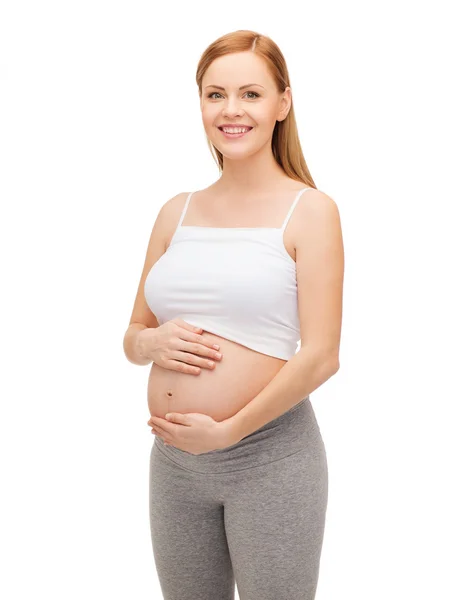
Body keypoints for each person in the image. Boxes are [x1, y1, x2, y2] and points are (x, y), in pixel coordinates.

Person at [123, 29, 344, 600]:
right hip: (173, 465)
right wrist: (148, 346)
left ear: (282, 104)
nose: (231, 110)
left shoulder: (310, 211)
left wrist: (227, 432)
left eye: (250, 93)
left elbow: (322, 356)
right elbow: (133, 333)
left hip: (268, 460)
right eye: (215, 94)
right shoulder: (177, 211)